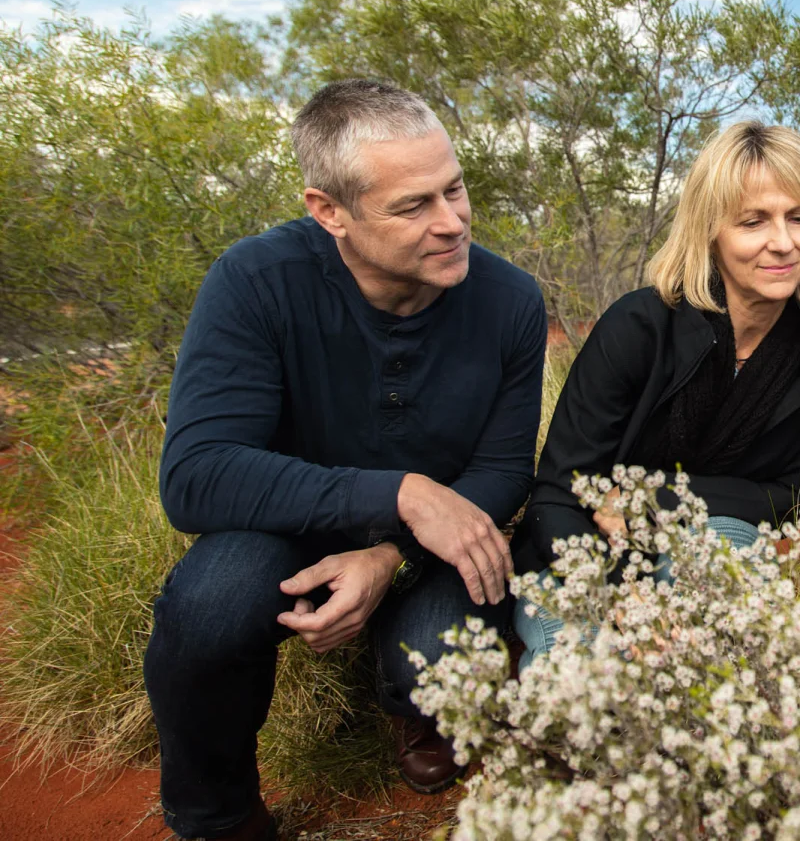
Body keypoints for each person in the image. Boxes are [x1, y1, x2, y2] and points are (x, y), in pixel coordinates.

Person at [144, 79, 547, 841]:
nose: (452, 222)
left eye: (454, 189)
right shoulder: (255, 281)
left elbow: (501, 472)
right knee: (209, 606)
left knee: (435, 657)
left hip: (432, 542)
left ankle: (408, 705)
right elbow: (196, 475)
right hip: (287, 527)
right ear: (328, 211)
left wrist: (390, 552)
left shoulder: (511, 302)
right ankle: (216, 813)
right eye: (412, 206)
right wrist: (401, 494)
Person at [511, 121, 800, 668]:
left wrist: (651, 496)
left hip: (715, 539)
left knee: (714, 657)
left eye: (799, 217)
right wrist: (620, 595)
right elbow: (558, 494)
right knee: (577, 677)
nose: (784, 243)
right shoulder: (638, 327)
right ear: (710, 229)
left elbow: (794, 496)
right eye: (753, 221)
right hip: (580, 550)